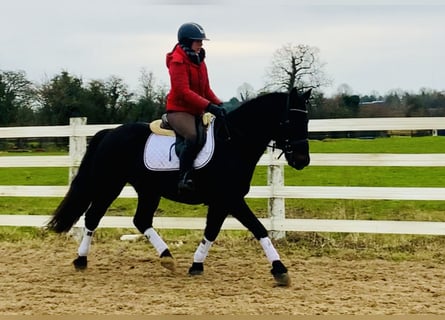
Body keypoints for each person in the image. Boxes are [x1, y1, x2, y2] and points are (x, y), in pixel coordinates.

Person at [165, 22, 225, 194]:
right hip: (178, 110)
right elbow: (183, 91)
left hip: (196, 110)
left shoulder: (199, 60)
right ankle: (183, 177)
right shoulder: (177, 61)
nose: (201, 44)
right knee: (193, 136)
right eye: (198, 41)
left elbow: (205, 89)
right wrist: (209, 106)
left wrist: (219, 104)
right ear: (186, 41)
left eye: (201, 41)